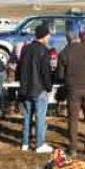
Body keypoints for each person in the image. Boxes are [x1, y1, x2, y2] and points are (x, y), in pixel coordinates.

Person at [57, 28, 85, 156]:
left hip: (73, 90)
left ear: (67, 39)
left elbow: (60, 75)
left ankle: (72, 149)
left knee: (73, 119)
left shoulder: (64, 53)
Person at [17, 24, 53, 153]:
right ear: (43, 36)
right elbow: (45, 72)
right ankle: (39, 144)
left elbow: (19, 67)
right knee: (40, 117)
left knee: (27, 117)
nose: (49, 37)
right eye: (48, 35)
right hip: (39, 89)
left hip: (25, 88)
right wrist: (49, 87)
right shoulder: (43, 50)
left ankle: (25, 143)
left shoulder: (25, 49)